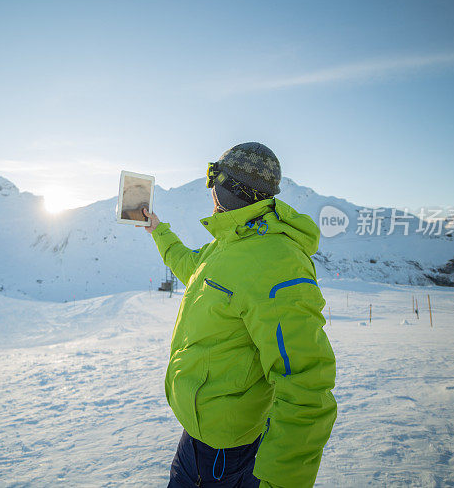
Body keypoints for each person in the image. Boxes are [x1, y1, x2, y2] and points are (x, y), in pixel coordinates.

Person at [140, 142, 336, 488]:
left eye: (212, 181)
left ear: (225, 190)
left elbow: (306, 384)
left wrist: (280, 481)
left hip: (225, 453)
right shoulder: (229, 242)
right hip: (196, 438)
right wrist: (159, 230)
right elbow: (191, 268)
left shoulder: (277, 263)